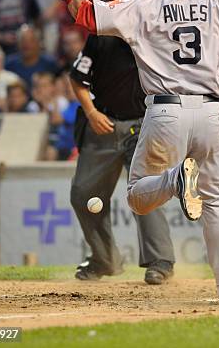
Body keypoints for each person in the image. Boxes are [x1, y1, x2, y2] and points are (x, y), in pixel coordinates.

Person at [45, 0, 219, 300]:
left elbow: (85, 16)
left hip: (164, 111)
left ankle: (174, 180)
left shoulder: (145, 5)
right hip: (210, 112)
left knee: (138, 196)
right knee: (216, 199)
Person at [69, 32, 175, 283]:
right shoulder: (101, 37)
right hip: (102, 124)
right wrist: (91, 113)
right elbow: (77, 79)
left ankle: (161, 261)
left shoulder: (162, 37)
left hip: (144, 124)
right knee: (83, 194)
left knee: (146, 189)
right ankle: (104, 259)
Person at [5, 24, 59, 90]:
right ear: (17, 44)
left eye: (31, 41)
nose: (26, 44)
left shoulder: (50, 63)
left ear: (38, 43)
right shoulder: (9, 64)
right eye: (23, 40)